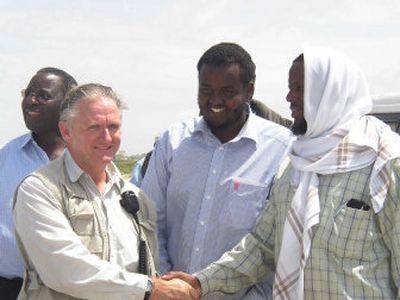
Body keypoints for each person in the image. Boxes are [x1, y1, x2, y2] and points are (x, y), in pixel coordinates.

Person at [165, 47, 400, 299]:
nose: (289, 97)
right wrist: (200, 283)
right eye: (290, 87)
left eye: (299, 89)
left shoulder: (384, 164)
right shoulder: (295, 166)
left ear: (330, 93)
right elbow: (261, 246)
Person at [13, 83, 195, 299]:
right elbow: (66, 269)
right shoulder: (39, 190)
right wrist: (148, 289)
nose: (107, 138)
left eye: (113, 127)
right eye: (94, 127)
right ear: (66, 131)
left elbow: (149, 267)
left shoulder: (134, 198)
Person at [141, 42, 291, 299]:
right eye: (206, 90)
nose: (215, 101)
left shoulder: (281, 149)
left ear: (249, 90)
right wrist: (168, 286)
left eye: (227, 92)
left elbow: (278, 242)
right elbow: (150, 221)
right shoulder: (173, 142)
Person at [0, 67, 77, 300]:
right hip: (8, 289)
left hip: (68, 291)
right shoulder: (7, 155)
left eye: (42, 96)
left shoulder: (85, 159)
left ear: (67, 104)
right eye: (28, 93)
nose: (30, 101)